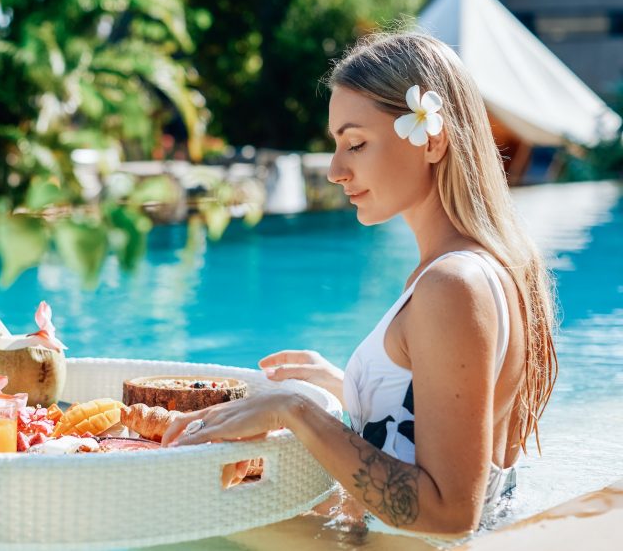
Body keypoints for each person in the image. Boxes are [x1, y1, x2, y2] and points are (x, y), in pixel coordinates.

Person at [162, 33, 558, 536]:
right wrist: (354, 389)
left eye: (356, 143)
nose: (334, 170)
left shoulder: (452, 284)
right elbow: (440, 426)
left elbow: (452, 513)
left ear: (432, 140)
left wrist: (296, 410)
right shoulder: (490, 268)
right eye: (335, 145)